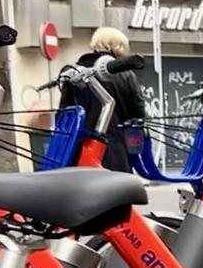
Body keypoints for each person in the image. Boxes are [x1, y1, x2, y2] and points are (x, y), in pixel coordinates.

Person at [60, 26, 147, 172]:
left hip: (79, 148)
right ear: (118, 47)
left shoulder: (73, 72)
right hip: (116, 149)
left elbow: (64, 113)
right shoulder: (126, 74)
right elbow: (137, 111)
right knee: (117, 190)